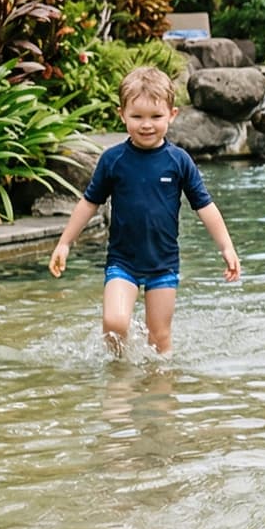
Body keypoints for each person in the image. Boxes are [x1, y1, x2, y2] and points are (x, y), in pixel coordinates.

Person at [48, 65, 240, 356]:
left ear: (172, 115)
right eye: (137, 116)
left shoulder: (179, 162)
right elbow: (89, 203)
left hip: (163, 264)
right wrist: (64, 242)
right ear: (122, 115)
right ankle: (119, 374)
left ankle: (159, 391)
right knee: (114, 323)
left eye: (156, 116)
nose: (146, 124)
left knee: (159, 337)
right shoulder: (113, 160)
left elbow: (205, 207)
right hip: (122, 261)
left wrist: (226, 247)